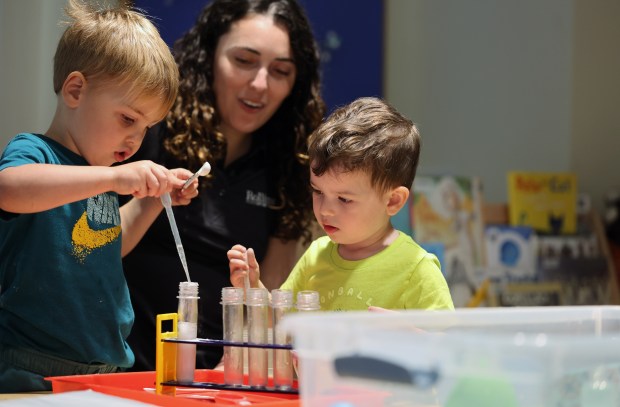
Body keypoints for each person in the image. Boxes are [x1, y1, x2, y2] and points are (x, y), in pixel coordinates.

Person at [0, 0, 196, 392]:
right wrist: (113, 179)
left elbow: (108, 242)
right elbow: (9, 188)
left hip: (103, 371)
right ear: (75, 90)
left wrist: (154, 199)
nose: (136, 139)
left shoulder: (102, 179)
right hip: (30, 365)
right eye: (127, 118)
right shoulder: (36, 152)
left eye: (146, 128)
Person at [121, 0, 325, 370]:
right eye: (244, 61)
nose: (260, 84)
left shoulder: (291, 166)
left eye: (280, 71)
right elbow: (92, 245)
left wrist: (229, 371)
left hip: (217, 378)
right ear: (209, 55)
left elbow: (269, 290)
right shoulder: (148, 130)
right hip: (121, 365)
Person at [228, 97, 454, 311]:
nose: (325, 209)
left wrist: (406, 333)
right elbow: (282, 322)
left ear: (393, 201)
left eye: (344, 199)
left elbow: (449, 346)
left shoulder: (417, 268)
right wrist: (253, 288)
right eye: (317, 191)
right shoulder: (315, 256)